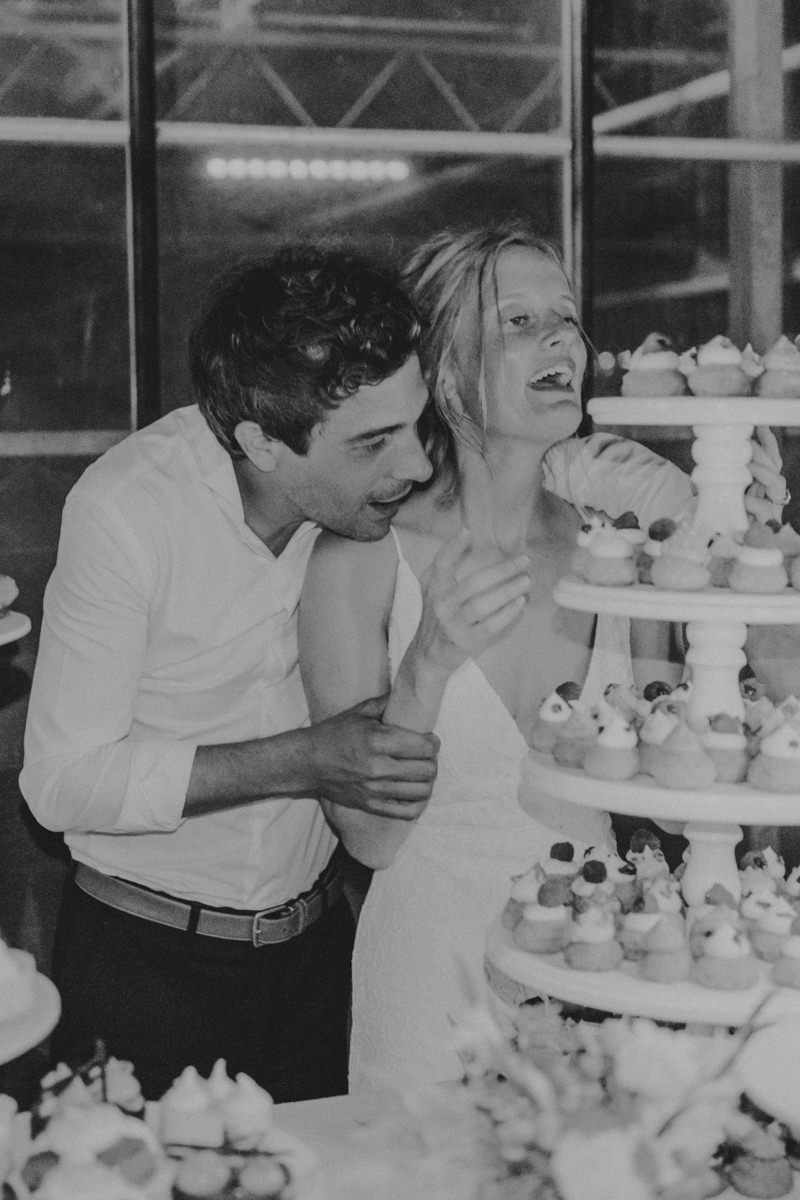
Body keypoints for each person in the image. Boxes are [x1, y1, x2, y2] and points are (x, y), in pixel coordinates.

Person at [298, 221, 789, 1091]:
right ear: (444, 369)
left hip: (592, 979)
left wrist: (748, 545)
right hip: (430, 976)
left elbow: (675, 807)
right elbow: (368, 840)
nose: (561, 337)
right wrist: (428, 662)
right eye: (518, 321)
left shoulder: (621, 556)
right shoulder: (359, 561)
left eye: (564, 317)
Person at [19, 244, 450, 1103]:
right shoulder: (128, 509)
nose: (418, 466)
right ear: (262, 442)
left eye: (416, 424)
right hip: (143, 971)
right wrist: (305, 759)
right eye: (374, 443)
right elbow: (61, 784)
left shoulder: (374, 503)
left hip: (319, 962)